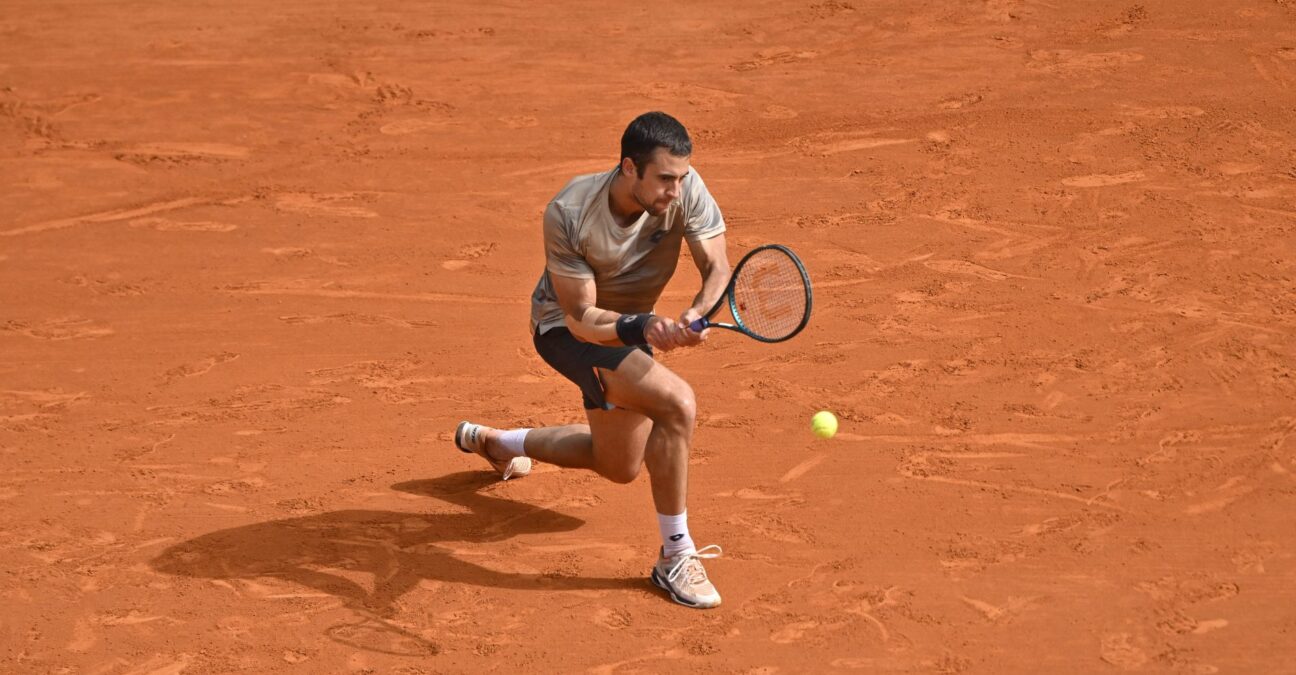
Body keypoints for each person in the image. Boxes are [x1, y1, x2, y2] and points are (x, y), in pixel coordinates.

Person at [454, 111, 731, 608]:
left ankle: (499, 442)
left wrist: (697, 313)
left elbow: (718, 267)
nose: (675, 190)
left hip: (628, 330)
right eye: (665, 179)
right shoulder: (570, 211)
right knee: (677, 404)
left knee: (618, 464)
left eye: (681, 178)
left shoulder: (684, 189)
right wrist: (643, 327)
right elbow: (580, 315)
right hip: (565, 330)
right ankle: (675, 555)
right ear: (630, 168)